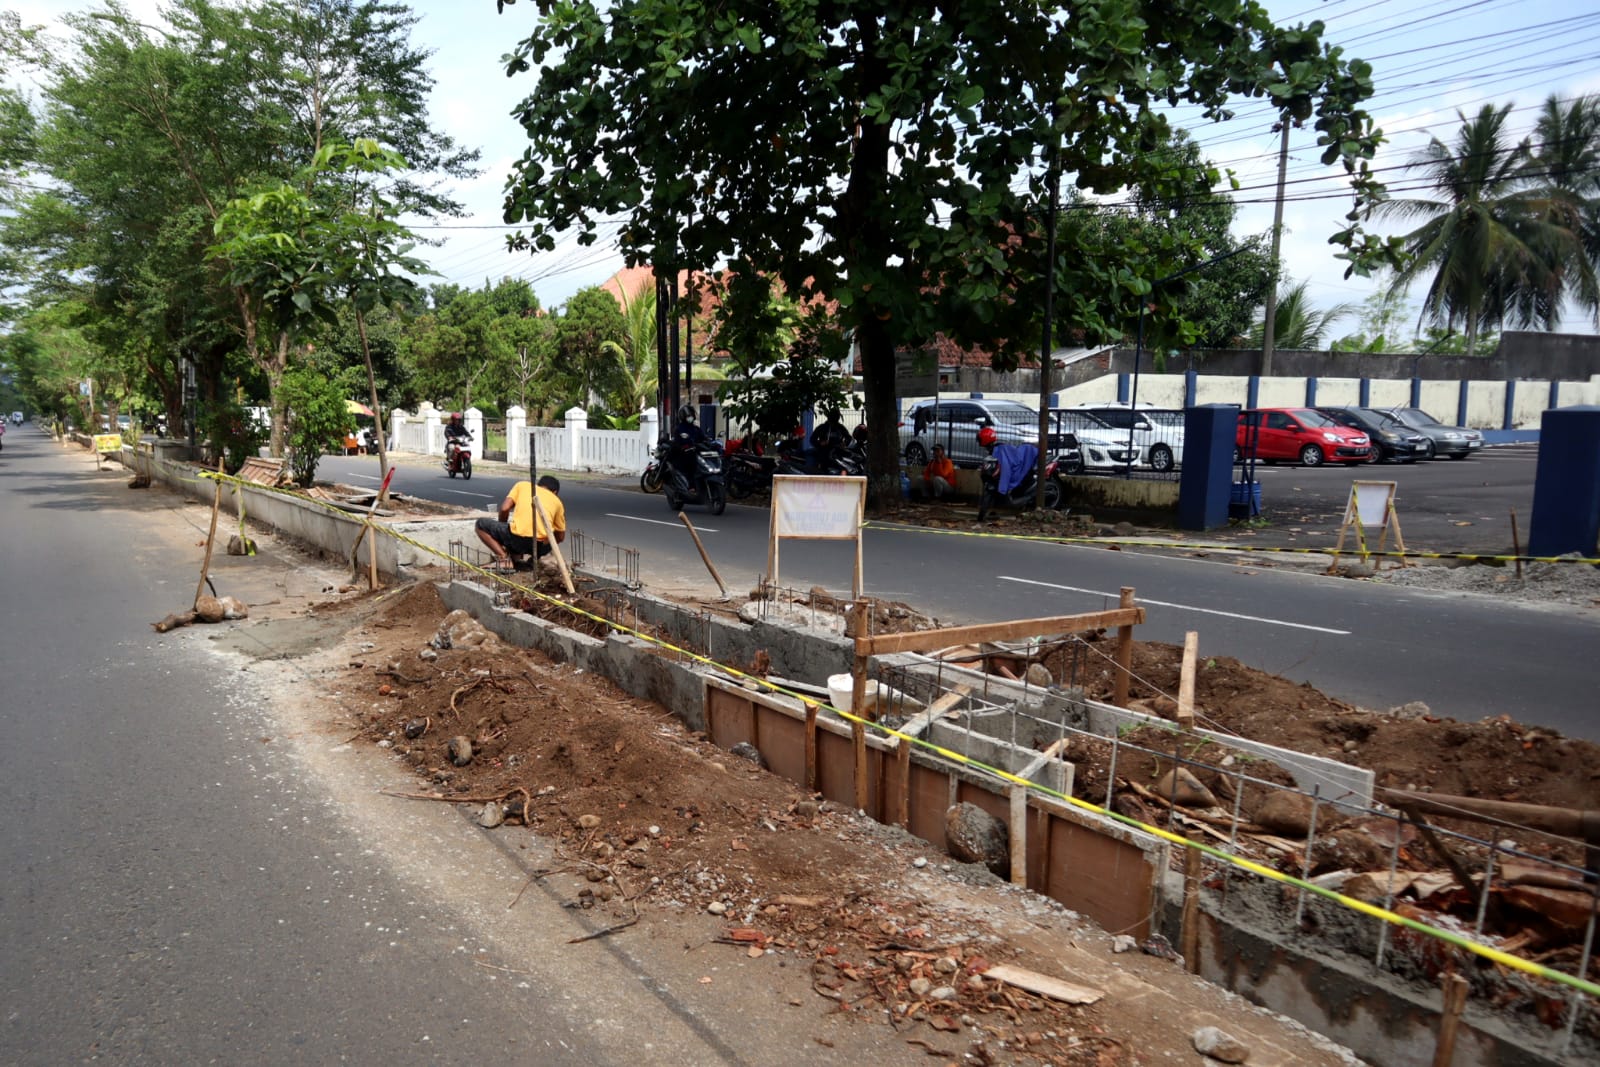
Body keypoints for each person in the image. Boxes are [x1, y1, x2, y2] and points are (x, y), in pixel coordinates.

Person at [476, 474, 566, 574]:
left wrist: (502, 532)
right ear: (555, 492)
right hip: (539, 546)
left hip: (516, 539)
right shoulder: (558, 502)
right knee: (551, 537)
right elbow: (560, 537)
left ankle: (504, 559)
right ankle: (532, 562)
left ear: (538, 485)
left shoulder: (523, 485)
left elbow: (504, 508)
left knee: (481, 524)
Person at [668, 406, 707, 480]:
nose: (691, 417)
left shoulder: (696, 429)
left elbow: (703, 438)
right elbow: (678, 442)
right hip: (684, 456)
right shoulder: (679, 429)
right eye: (688, 416)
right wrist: (684, 447)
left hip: (696, 454)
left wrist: (709, 442)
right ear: (683, 417)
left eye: (692, 415)